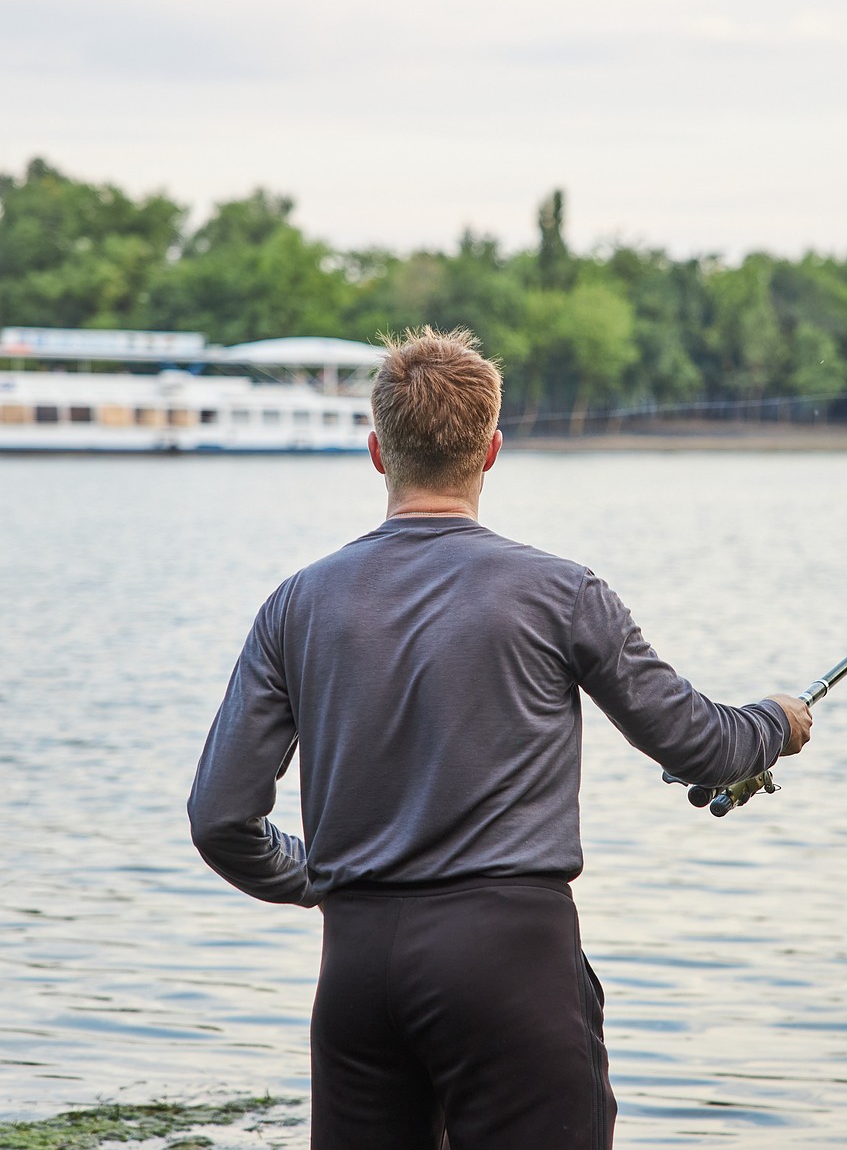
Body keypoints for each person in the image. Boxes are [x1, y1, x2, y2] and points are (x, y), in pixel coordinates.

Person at [188, 327, 812, 1150]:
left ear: (378, 452)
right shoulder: (561, 592)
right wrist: (777, 721)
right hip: (510, 963)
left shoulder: (295, 605)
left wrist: (322, 879)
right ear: (491, 451)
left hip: (357, 968)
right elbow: (704, 746)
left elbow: (220, 820)